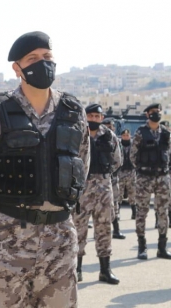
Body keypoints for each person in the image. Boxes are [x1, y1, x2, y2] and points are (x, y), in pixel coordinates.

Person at [0, 31, 90, 307]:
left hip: (58, 242)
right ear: (17, 68)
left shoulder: (73, 110)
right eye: (32, 58)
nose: (43, 63)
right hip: (3, 244)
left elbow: (82, 166)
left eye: (47, 56)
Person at [73, 104, 121, 284]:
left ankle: (105, 270)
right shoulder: (77, 134)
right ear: (85, 116)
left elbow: (117, 161)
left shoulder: (109, 136)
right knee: (78, 228)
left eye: (97, 116)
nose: (93, 119)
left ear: (102, 118)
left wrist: (102, 178)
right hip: (82, 188)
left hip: (103, 188)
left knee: (104, 228)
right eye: (90, 116)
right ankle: (77, 269)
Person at [130, 102, 171, 260]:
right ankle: (142, 246)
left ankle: (162, 247)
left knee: (163, 212)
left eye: (158, 111)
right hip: (145, 178)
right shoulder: (140, 132)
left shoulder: (166, 133)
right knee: (142, 212)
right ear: (147, 114)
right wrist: (142, 170)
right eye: (153, 111)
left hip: (162, 177)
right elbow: (133, 155)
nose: (156, 114)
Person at [117, 129, 137, 221]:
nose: (125, 137)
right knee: (119, 194)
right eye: (124, 135)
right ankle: (117, 213)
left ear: (130, 136)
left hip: (131, 172)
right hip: (120, 172)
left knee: (132, 193)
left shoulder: (134, 145)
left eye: (127, 135)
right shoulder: (118, 145)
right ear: (121, 136)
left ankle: (134, 213)